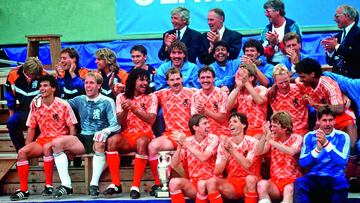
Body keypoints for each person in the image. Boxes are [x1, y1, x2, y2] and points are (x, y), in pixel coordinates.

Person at [51, 72, 121, 198]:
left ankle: (93, 184)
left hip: (100, 138)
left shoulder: (107, 101)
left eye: (91, 83)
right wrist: (52, 89)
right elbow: (61, 104)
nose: (88, 86)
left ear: (99, 85)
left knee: (99, 142)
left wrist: (105, 131)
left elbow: (116, 125)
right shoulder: (79, 99)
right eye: (86, 83)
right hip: (83, 137)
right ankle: (66, 185)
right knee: (56, 144)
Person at [9, 75, 78, 201]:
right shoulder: (35, 104)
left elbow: (72, 127)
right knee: (22, 153)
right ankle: (24, 190)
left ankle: (49, 186)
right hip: (43, 139)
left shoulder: (63, 104)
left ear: (53, 88)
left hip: (59, 140)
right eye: (40, 86)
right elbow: (31, 127)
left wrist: (70, 147)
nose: (42, 88)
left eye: (45, 85)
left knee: (47, 147)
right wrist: (27, 146)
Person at [295, 58, 358, 187]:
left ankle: (349, 177)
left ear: (312, 74)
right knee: (312, 144)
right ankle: (313, 179)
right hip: (322, 117)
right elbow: (289, 80)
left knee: (351, 145)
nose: (300, 79)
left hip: (341, 115)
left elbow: (340, 108)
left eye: (303, 76)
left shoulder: (327, 83)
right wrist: (273, 86)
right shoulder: (303, 84)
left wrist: (315, 105)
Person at [104, 68, 158, 199]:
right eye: (142, 80)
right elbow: (120, 121)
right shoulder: (120, 97)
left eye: (147, 80)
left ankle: (135, 186)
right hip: (127, 135)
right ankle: (116, 184)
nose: (145, 83)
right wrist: (125, 110)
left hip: (145, 134)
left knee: (141, 142)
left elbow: (151, 119)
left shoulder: (152, 97)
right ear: (133, 81)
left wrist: (134, 109)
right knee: (112, 141)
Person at [148, 68, 197, 195]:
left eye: (177, 79)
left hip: (189, 135)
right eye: (172, 80)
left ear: (182, 79)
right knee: (153, 146)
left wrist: (223, 89)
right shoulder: (161, 94)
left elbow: (208, 91)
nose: (175, 82)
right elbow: (143, 96)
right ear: (167, 82)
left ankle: (191, 182)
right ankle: (159, 184)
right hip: (170, 135)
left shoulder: (193, 93)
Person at [294, 106, 350, 203]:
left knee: (342, 183)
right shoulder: (310, 136)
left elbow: (342, 161)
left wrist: (326, 144)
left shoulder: (343, 136)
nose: (328, 124)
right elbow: (302, 162)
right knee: (300, 182)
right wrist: (317, 149)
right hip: (314, 176)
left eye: (330, 120)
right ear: (318, 120)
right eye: (324, 120)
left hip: (335, 176)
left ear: (334, 121)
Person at [204, 112, 261, 203]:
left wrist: (231, 150)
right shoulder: (224, 144)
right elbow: (217, 172)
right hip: (232, 183)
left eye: (235, 121)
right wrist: (226, 156)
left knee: (250, 179)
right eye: (230, 122)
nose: (231, 124)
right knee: (211, 182)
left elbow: (247, 165)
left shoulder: (253, 142)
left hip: (250, 182)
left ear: (243, 125)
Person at [169, 114, 219, 203]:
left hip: (211, 183)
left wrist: (185, 143)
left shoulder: (213, 138)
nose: (208, 125)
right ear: (195, 127)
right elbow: (173, 165)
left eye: (208, 123)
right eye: (205, 123)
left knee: (202, 184)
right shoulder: (188, 141)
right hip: (194, 182)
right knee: (173, 183)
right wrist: (179, 147)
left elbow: (203, 157)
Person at [256, 111, 303, 203]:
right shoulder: (272, 138)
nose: (272, 129)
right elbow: (258, 152)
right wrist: (264, 136)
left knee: (288, 190)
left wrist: (271, 141)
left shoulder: (296, 138)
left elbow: (291, 151)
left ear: (285, 128)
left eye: (274, 126)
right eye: (271, 126)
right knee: (261, 185)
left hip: (292, 181)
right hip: (275, 182)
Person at [5, 57, 45, 151]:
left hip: (40, 112)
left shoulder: (43, 74)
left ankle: (31, 150)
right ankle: (21, 151)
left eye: (37, 74)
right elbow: (10, 98)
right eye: (34, 75)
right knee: (11, 122)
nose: (36, 76)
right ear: (25, 71)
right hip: (24, 111)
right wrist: (11, 116)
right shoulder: (13, 74)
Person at [227, 64, 268, 137]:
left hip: (259, 131)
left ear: (251, 77)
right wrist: (238, 87)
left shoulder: (261, 89)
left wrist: (246, 82)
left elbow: (259, 101)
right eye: (238, 75)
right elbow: (228, 107)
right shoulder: (237, 92)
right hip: (242, 131)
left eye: (242, 75)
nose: (240, 78)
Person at [322, 4, 360, 78]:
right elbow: (330, 63)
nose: (334, 19)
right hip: (337, 80)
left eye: (337, 16)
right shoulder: (337, 37)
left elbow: (356, 56)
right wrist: (330, 52)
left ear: (346, 16)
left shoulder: (358, 34)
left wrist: (336, 46)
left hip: (353, 82)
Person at [268, 64, 308, 135]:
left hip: (300, 130)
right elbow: (259, 100)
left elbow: (308, 80)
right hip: (280, 132)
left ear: (289, 78)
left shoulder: (300, 89)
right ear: (275, 81)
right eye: (280, 83)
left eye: (286, 81)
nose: (284, 85)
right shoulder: (270, 93)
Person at [191, 66, 230, 137]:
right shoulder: (195, 96)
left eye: (208, 77)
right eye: (202, 78)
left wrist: (205, 111)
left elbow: (223, 118)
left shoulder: (222, 94)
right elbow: (194, 120)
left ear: (214, 79)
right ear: (199, 80)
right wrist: (200, 112)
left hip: (221, 132)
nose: (205, 80)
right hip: (203, 133)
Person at [261, 0, 302, 65]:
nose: (266, 14)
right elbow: (263, 53)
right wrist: (272, 46)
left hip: (290, 63)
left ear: (277, 11)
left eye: (268, 11)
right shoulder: (266, 30)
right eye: (265, 12)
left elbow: (295, 50)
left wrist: (277, 42)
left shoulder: (292, 26)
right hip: (271, 65)